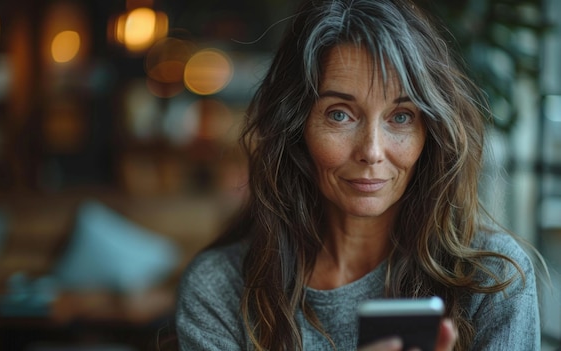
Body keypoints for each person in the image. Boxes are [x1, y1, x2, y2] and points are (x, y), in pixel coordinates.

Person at [175, 0, 543, 350]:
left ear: (430, 132)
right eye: (340, 114)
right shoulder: (220, 289)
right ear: (295, 126)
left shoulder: (492, 279)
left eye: (401, 117)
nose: (371, 150)